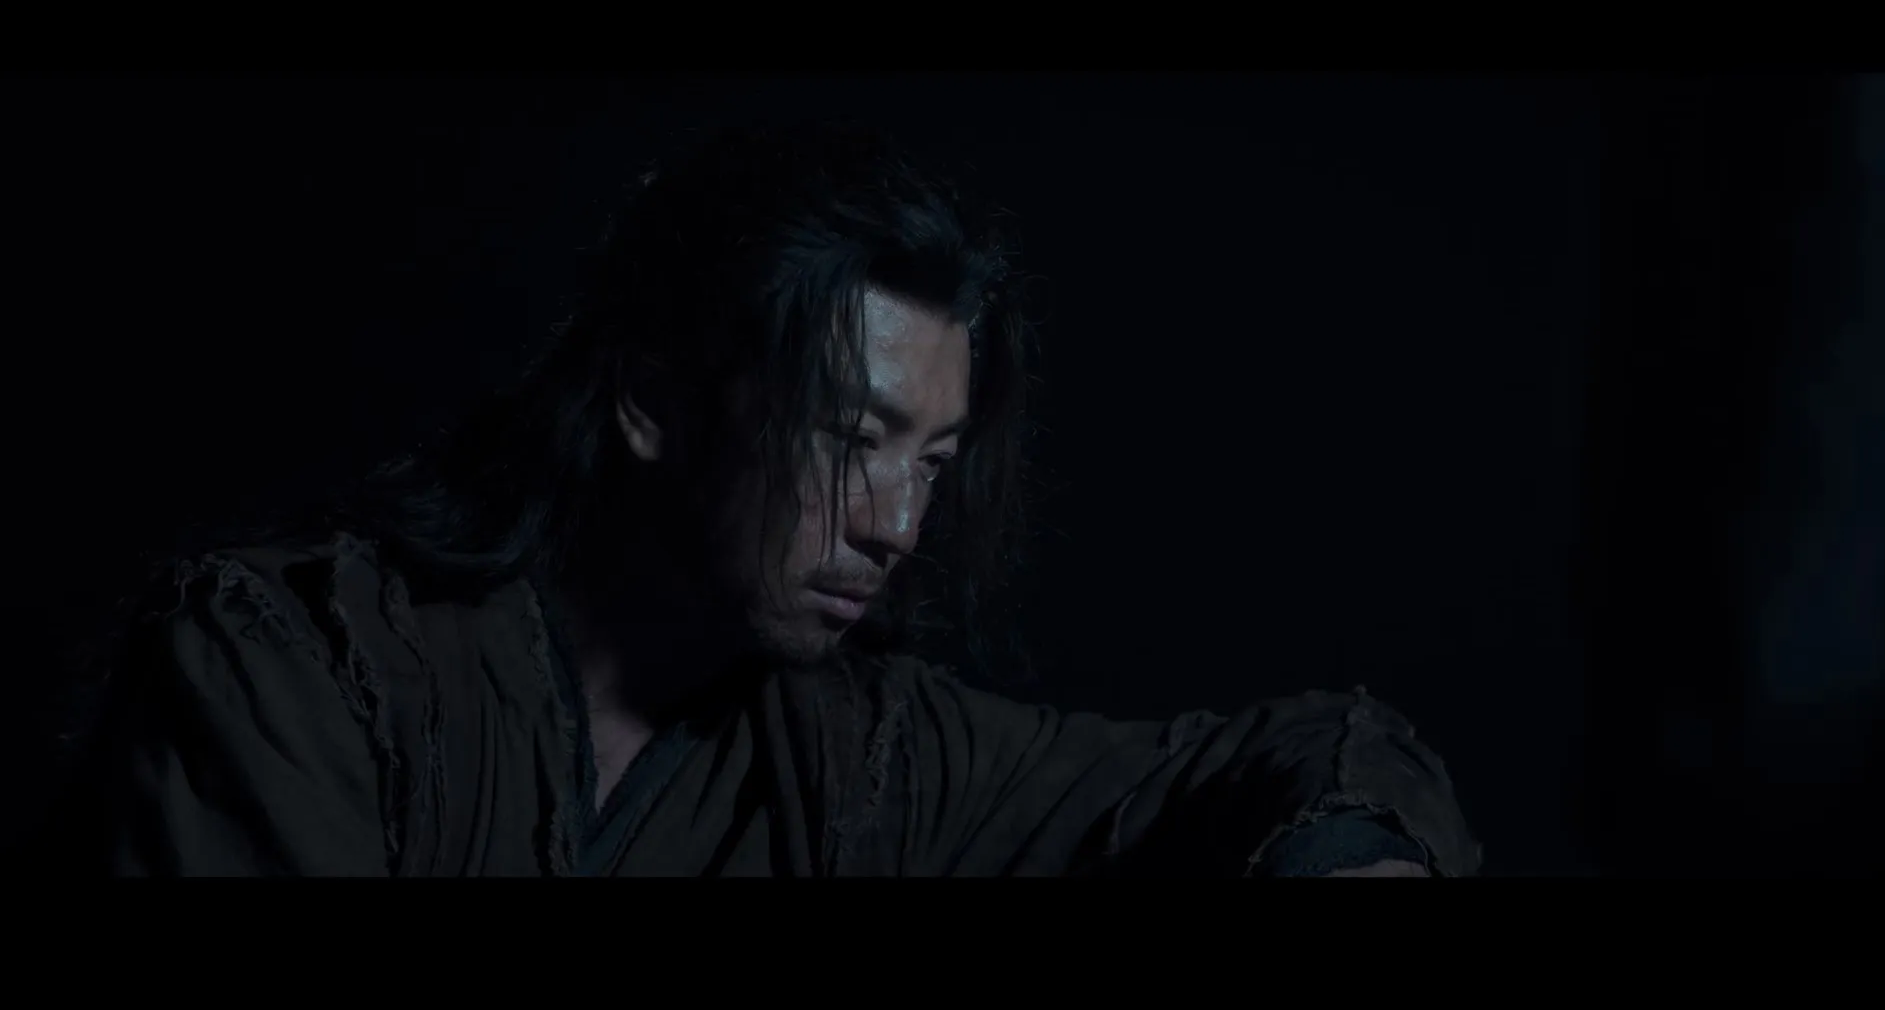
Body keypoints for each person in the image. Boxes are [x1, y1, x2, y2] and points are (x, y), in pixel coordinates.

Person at [71, 123, 1480, 877]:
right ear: (653, 401)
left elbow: (1286, 755)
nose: (896, 525)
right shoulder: (292, 668)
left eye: (933, 463)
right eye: (853, 440)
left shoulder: (857, 748)